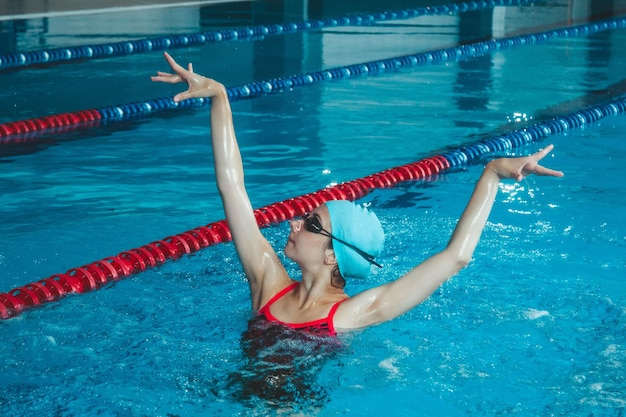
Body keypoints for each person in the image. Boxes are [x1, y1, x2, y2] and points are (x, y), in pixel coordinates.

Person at [151, 52, 564, 337]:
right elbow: (232, 186)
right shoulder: (266, 281)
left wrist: (491, 174)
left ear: (334, 254)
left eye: (311, 223)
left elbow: (455, 257)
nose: (293, 222)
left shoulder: (350, 314)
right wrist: (220, 97)